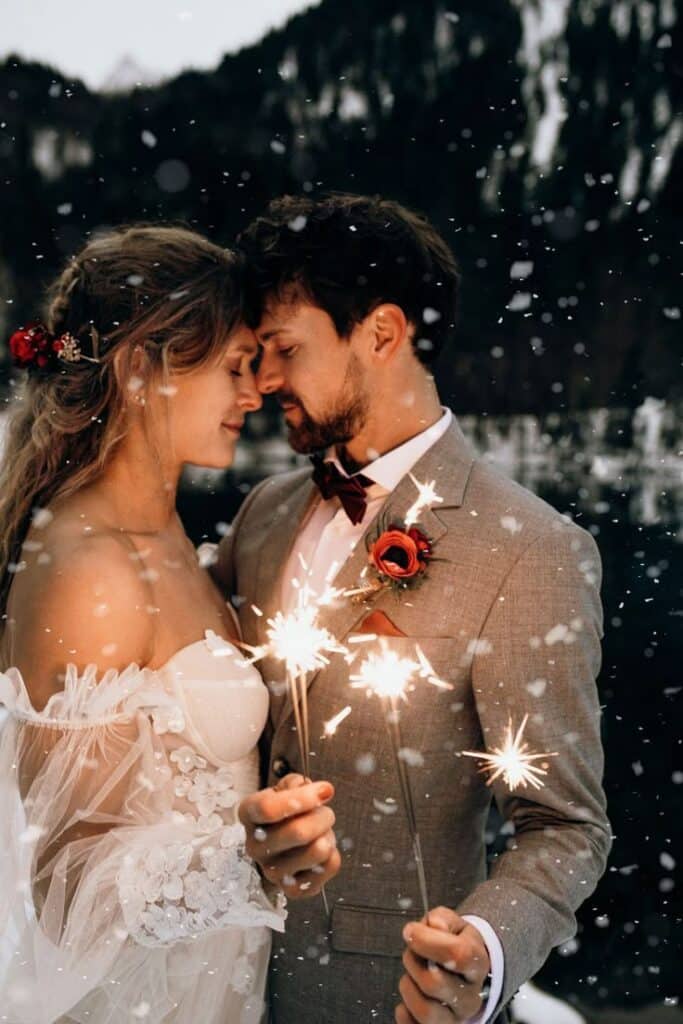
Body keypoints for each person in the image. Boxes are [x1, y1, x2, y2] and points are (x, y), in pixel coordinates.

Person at [215, 193, 612, 1023]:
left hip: (383, 999)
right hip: (215, 973)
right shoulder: (263, 514)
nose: (264, 380)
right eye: (256, 355)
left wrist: (485, 949)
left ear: (384, 333)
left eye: (283, 349)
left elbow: (563, 824)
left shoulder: (530, 549)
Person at [0, 225, 334, 1023]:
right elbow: (66, 876)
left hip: (217, 976)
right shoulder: (92, 568)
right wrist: (241, 864)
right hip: (133, 999)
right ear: (139, 367)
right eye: (232, 368)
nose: (253, 394)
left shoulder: (170, 534)